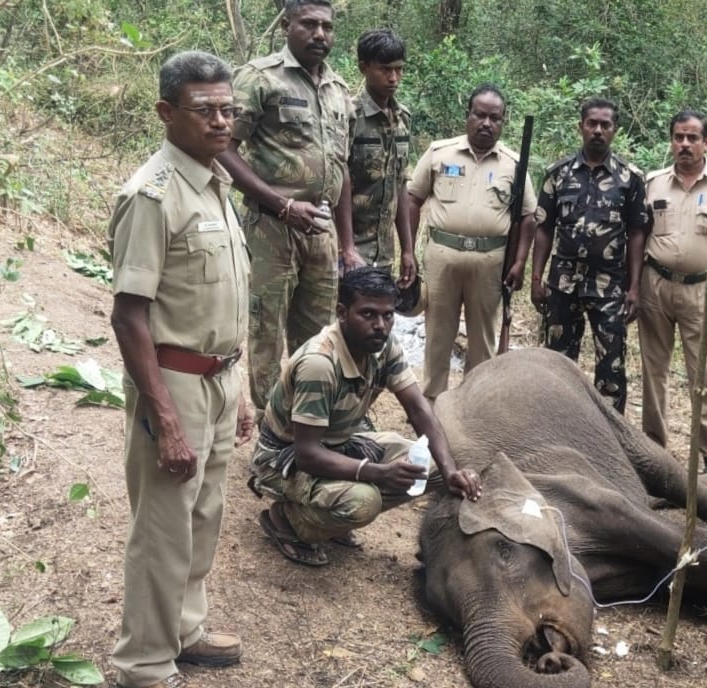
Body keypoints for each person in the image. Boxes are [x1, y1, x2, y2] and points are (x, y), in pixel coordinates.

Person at [109, 50, 254, 688]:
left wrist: (241, 388)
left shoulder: (216, 181)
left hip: (220, 379)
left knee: (204, 516)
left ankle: (185, 629)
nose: (221, 121)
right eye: (205, 111)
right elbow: (130, 316)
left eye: (228, 108)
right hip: (175, 385)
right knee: (163, 530)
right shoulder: (152, 196)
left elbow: (224, 302)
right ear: (168, 113)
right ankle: (143, 663)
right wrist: (164, 418)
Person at [249, 267, 482, 567]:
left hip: (340, 444)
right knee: (363, 502)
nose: (380, 326)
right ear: (342, 313)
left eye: (388, 315)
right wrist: (378, 473)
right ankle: (288, 520)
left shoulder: (383, 347)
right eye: (368, 314)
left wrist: (451, 471)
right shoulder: (319, 364)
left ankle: (328, 515)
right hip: (284, 460)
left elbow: (418, 409)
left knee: (434, 466)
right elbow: (306, 454)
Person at [219, 0, 361, 412]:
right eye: (309, 25)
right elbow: (225, 150)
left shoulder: (338, 91)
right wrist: (282, 206)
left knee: (318, 335)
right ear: (287, 25)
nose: (320, 34)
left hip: (320, 229)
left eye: (327, 27)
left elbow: (342, 168)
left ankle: (308, 421)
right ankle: (269, 427)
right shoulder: (259, 78)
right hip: (271, 228)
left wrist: (347, 245)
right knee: (267, 331)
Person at [638, 109, 707, 473]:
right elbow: (638, 234)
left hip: (701, 290)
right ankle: (654, 450)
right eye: (678, 137)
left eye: (692, 138)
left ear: (706, 142)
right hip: (654, 284)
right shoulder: (652, 183)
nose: (685, 144)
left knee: (703, 374)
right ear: (671, 140)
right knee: (653, 370)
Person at [406, 83, 536, 399]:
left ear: (503, 122)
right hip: (442, 256)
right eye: (480, 115)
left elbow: (529, 217)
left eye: (495, 118)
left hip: (490, 263)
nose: (487, 124)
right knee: (438, 335)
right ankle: (433, 405)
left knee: (483, 342)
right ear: (468, 116)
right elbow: (412, 199)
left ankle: (474, 407)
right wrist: (408, 252)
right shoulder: (440, 152)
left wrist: (519, 262)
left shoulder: (513, 165)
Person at [531, 97, 649, 413]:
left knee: (610, 369)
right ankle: (554, 429)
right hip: (563, 283)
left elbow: (638, 233)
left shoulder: (630, 178)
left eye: (605, 125)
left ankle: (610, 441)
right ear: (581, 126)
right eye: (591, 124)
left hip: (609, 286)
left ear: (615, 130)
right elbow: (543, 227)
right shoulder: (558, 174)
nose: (597, 130)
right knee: (556, 364)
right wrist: (536, 277)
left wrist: (634, 287)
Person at [348, 28, 414, 283]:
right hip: (350, 249)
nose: (393, 78)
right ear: (364, 68)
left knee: (378, 320)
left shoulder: (403, 119)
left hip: (384, 252)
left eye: (398, 69)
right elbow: (337, 184)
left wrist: (407, 250)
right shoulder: (349, 116)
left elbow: (400, 185)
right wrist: (345, 248)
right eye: (385, 69)